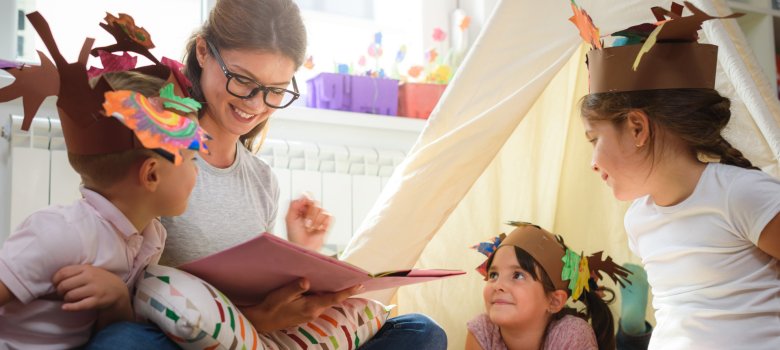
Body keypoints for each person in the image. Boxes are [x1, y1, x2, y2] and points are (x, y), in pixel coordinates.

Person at [89, 0, 447, 348]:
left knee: (420, 331)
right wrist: (257, 320)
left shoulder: (261, 179)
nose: (256, 104)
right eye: (242, 81)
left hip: (258, 339)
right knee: (122, 342)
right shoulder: (157, 151)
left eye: (275, 91)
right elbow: (122, 278)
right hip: (181, 336)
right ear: (203, 52)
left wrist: (299, 259)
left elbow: (258, 292)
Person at [572, 1, 780, 348]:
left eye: (595, 140)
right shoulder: (638, 221)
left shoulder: (740, 194)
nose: (593, 162)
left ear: (637, 127)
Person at [0, 35, 207, 350]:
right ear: (151, 174)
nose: (197, 171)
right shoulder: (60, 233)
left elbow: (113, 336)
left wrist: (116, 298)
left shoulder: (152, 238)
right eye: (192, 159)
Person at [466, 222, 630, 350]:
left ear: (554, 301)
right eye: (493, 275)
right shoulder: (482, 331)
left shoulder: (572, 334)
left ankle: (632, 330)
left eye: (518, 275)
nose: (498, 285)